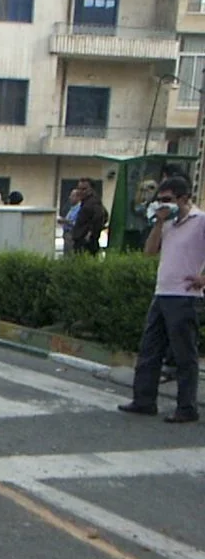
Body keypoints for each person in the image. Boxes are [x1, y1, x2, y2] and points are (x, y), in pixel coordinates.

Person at [118, 176, 205, 424]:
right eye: (160, 200)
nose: (162, 204)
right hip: (162, 292)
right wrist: (158, 223)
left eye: (167, 200)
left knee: (183, 354)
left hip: (185, 296)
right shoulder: (167, 224)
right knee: (149, 349)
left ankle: (186, 407)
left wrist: (203, 278)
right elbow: (149, 252)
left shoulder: (200, 221)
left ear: (184, 198)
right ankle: (144, 400)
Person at [70, 178, 107, 256]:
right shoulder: (85, 202)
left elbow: (101, 217)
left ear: (91, 190)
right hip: (80, 240)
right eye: (79, 189)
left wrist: (90, 233)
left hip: (86, 242)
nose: (81, 192)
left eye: (84, 189)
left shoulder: (93, 203)